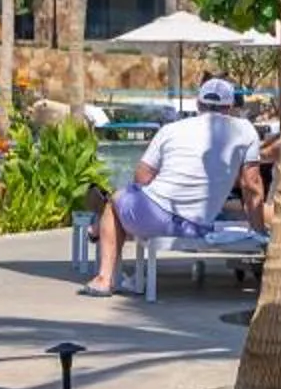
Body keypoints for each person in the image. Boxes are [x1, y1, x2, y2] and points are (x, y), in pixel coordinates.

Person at [79, 76, 265, 297]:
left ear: (198, 104)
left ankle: (104, 278)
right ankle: (99, 228)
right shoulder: (245, 130)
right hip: (196, 225)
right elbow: (251, 184)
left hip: (154, 217)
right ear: (230, 106)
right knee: (123, 205)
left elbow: (142, 177)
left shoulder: (172, 129)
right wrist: (259, 231)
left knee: (115, 201)